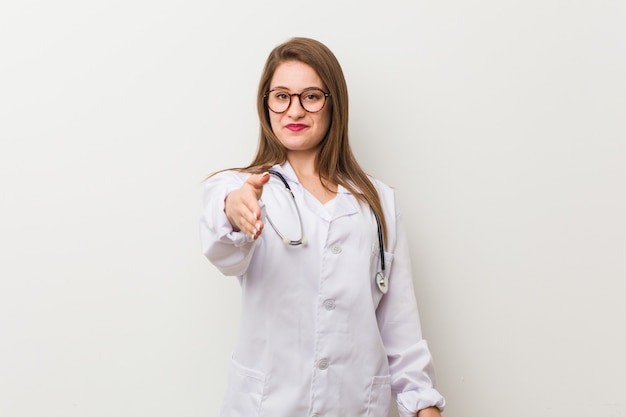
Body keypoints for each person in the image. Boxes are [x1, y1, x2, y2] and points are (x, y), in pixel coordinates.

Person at [200, 37, 445, 417]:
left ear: (334, 104)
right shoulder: (241, 187)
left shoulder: (377, 202)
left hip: (354, 405)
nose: (293, 110)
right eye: (281, 96)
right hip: (269, 406)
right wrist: (235, 211)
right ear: (266, 103)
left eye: (310, 96)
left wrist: (423, 405)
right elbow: (225, 253)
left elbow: (400, 326)